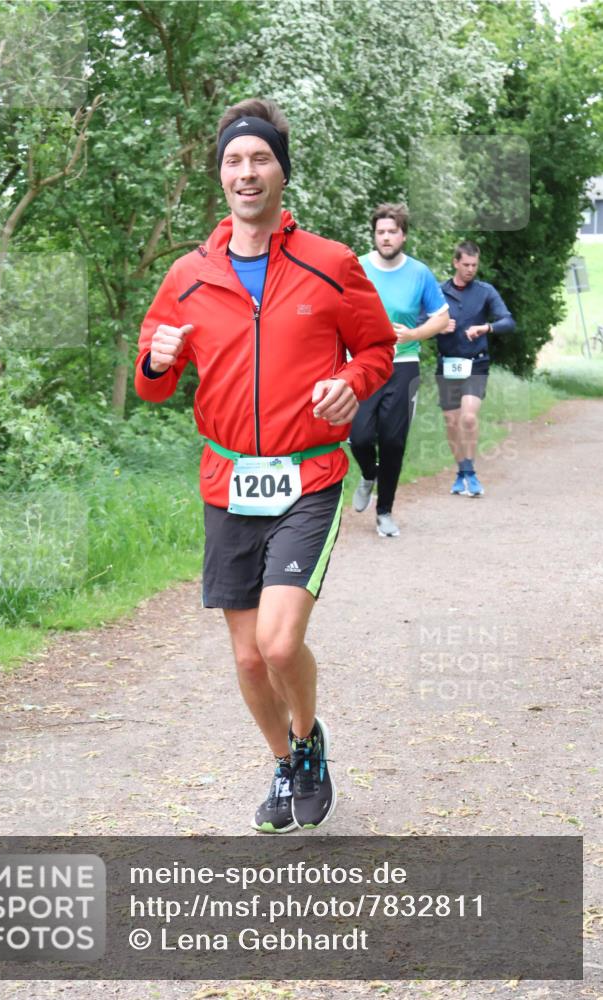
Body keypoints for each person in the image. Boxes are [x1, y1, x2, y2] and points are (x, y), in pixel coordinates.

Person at [135, 98, 395, 833]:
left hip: (307, 476)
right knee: (249, 661)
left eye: (259, 159)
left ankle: (308, 745)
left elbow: (376, 350)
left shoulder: (330, 264)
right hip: (227, 482)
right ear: (219, 175)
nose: (246, 172)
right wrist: (155, 361)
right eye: (233, 161)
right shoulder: (187, 275)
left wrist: (349, 385)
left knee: (281, 642)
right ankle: (285, 764)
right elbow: (150, 382)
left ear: (281, 170)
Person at [349, 203, 449, 537]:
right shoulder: (356, 268)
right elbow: (336, 308)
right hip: (363, 362)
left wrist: (415, 334)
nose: (386, 237)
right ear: (374, 235)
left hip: (403, 364)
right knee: (359, 436)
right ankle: (367, 474)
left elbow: (442, 317)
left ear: (403, 235)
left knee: (392, 441)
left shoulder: (419, 273)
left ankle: (385, 513)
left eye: (392, 231)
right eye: (381, 232)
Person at [437, 240, 516, 497]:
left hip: (477, 363)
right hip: (448, 363)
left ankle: (471, 472)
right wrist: (437, 326)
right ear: (455, 263)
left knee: (468, 417)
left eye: (475, 265)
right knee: (451, 420)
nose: (471, 269)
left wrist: (487, 328)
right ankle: (461, 472)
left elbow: (508, 321)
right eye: (466, 264)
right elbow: (418, 322)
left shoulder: (485, 291)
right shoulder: (439, 292)